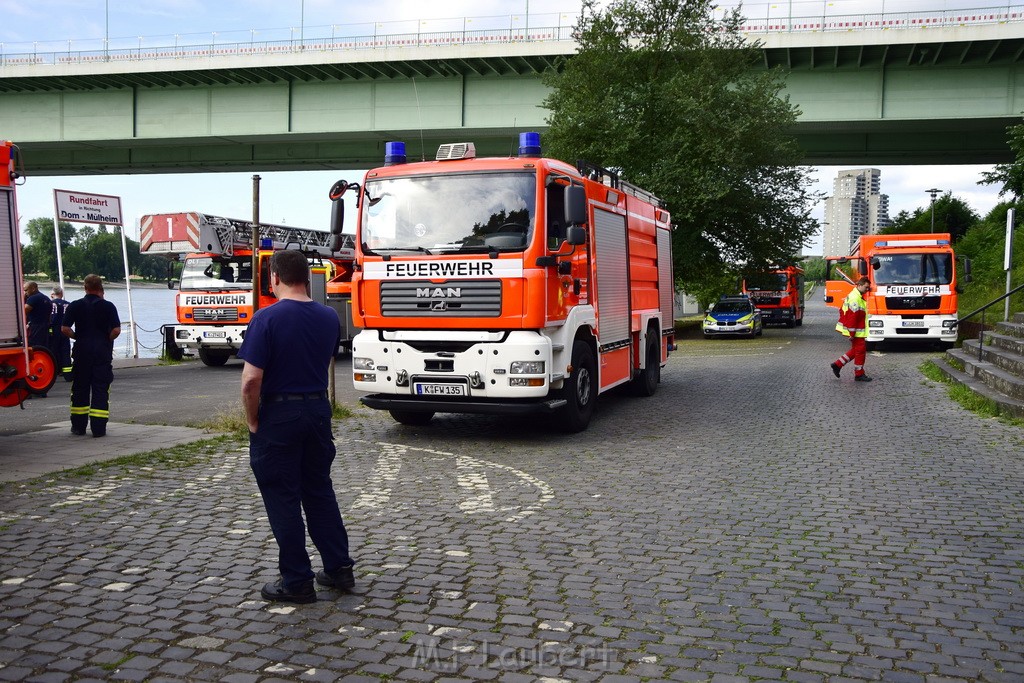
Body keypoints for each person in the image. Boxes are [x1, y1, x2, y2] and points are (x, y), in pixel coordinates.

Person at [238, 249, 354, 604]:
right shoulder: (329, 317)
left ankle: (297, 581)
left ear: (274, 278)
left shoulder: (265, 318)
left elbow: (250, 380)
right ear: (306, 277)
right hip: (317, 411)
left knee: (283, 498)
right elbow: (326, 359)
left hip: (279, 416)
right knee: (319, 492)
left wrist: (252, 418)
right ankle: (338, 569)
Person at [61, 275, 121, 437]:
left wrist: (77, 337)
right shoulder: (108, 307)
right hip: (101, 352)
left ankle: (79, 427)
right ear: (100, 288)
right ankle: (98, 428)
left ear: (85, 287)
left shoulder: (75, 306)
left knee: (80, 387)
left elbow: (65, 328)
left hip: (82, 351)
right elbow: (116, 330)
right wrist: (105, 339)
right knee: (101, 388)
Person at [830, 276, 872, 382]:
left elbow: (843, 311)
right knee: (860, 351)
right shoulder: (855, 298)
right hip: (856, 331)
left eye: (868, 288)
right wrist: (852, 333)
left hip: (856, 330)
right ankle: (859, 374)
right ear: (859, 285)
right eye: (866, 287)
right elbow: (853, 317)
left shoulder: (855, 296)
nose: (867, 290)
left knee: (856, 350)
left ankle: (837, 364)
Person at [49, 286, 73, 381]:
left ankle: (53, 372)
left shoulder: (50, 304)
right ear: (61, 294)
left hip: (53, 331)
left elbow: (50, 318)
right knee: (65, 352)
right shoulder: (68, 305)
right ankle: (67, 374)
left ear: (52, 294)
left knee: (53, 351)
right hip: (65, 330)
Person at [23, 281, 51, 350]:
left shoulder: (33, 298)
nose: (25, 293)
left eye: (26, 290)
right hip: (46, 327)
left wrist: (23, 300)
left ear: (33, 289)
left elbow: (23, 311)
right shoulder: (46, 298)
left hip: (35, 328)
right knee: (43, 348)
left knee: (33, 347)